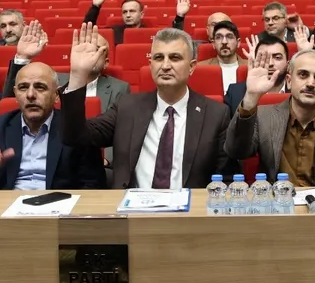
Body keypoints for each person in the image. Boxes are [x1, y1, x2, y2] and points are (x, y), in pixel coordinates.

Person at [60, 24, 231, 189]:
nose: (165, 66)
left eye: (175, 58)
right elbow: (76, 136)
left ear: (192, 67)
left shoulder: (216, 114)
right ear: (150, 65)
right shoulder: (127, 107)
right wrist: (77, 76)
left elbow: (226, 179)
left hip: (189, 207)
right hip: (132, 205)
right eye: (158, 58)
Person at [226, 49, 315, 187]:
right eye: (303, 75)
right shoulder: (263, 117)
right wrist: (251, 97)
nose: (310, 83)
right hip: (276, 198)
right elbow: (235, 151)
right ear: (289, 81)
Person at [0, 61, 106, 191]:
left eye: (40, 87)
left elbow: (93, 184)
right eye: (23, 88)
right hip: (7, 203)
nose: (30, 95)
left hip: (59, 203)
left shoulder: (74, 129)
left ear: (56, 95)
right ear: (15, 94)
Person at [83, 0, 188, 45]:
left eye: (132, 11)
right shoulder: (114, 31)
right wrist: (95, 6)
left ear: (141, 14)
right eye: (125, 12)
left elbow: (174, 39)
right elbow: (88, 31)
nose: (128, 15)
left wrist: (179, 16)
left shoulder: (151, 33)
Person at [224, 33, 288, 110]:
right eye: (263, 57)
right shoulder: (235, 92)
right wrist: (250, 97)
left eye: (277, 57)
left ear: (287, 64)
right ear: (255, 61)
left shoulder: (298, 90)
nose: (270, 63)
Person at [199, 20, 245, 94]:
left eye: (229, 37)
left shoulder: (251, 67)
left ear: (238, 42)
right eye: (218, 37)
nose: (224, 42)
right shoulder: (200, 68)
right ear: (213, 44)